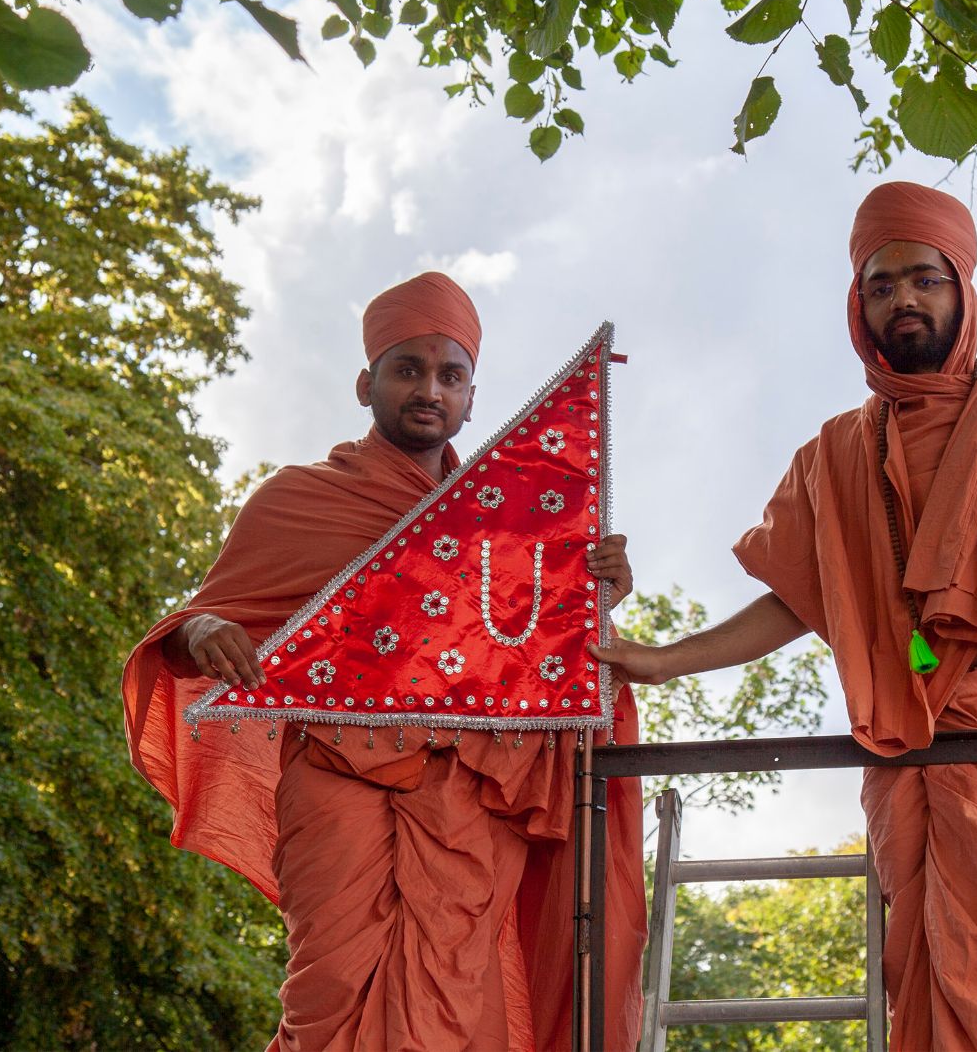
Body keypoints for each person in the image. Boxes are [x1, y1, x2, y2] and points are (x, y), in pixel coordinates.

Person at [594, 182, 977, 1050]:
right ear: (857, 306)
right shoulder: (836, 452)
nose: (903, 299)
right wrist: (664, 659)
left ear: (963, 292)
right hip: (909, 754)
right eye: (881, 285)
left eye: (924, 279)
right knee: (921, 987)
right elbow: (800, 597)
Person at [122, 271, 646, 1051]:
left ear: (472, 395)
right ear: (367, 382)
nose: (429, 389)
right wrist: (201, 634)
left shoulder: (512, 522)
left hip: (469, 789)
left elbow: (536, 649)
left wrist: (594, 595)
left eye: (450, 375)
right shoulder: (297, 499)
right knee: (326, 988)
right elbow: (207, 614)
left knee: (453, 994)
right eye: (408, 369)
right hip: (333, 774)